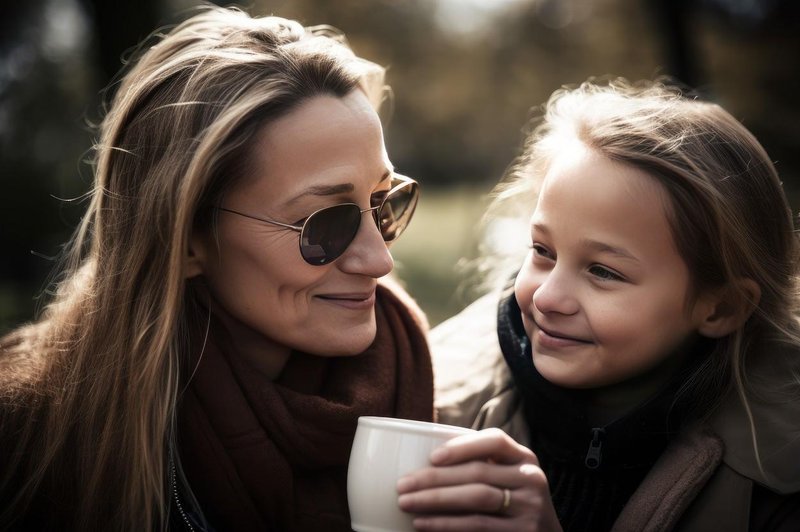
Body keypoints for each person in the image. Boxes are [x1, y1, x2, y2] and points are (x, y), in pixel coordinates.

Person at [0, 6, 434, 531]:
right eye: (324, 224)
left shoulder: (429, 401)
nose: (381, 261)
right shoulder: (30, 441)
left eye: (383, 201)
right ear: (184, 241)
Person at [396, 79, 800, 531]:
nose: (547, 298)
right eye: (542, 251)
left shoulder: (779, 470)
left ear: (721, 308)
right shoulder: (433, 397)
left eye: (603, 272)